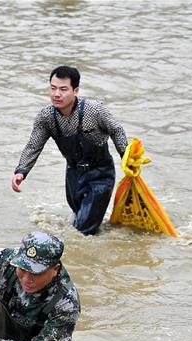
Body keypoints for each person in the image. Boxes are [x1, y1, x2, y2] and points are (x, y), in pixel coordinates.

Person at [11, 66, 128, 235]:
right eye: (53, 88)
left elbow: (116, 129)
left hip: (100, 174)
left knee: (81, 231)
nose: (56, 94)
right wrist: (21, 171)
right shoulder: (46, 117)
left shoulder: (94, 110)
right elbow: (34, 145)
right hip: (73, 174)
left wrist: (126, 157)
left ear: (76, 90)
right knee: (80, 218)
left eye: (63, 89)